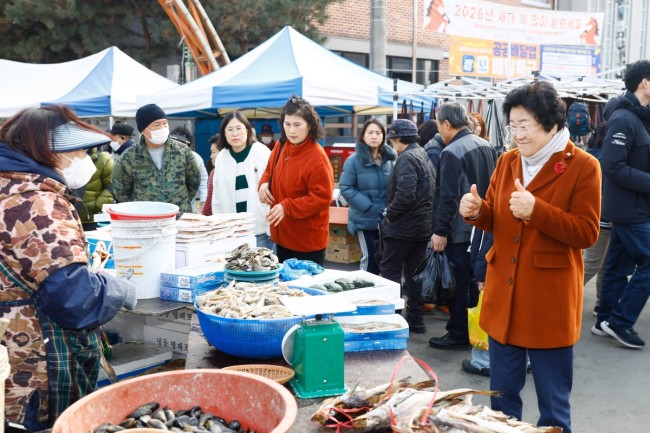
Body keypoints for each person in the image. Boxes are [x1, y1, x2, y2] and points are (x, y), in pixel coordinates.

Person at [459, 81, 600, 433]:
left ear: (551, 123)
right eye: (513, 125)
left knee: (553, 405)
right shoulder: (507, 161)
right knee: (501, 399)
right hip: (503, 299)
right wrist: (477, 211)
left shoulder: (583, 166)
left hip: (548, 302)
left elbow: (586, 232)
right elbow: (497, 217)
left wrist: (537, 210)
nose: (517, 134)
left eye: (525, 125)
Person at [0, 105, 138, 431]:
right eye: (80, 151)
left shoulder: (8, 189)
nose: (86, 159)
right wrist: (118, 289)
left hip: (11, 360)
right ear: (51, 152)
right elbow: (73, 298)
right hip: (38, 369)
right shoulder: (37, 204)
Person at [429, 101, 497, 350]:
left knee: (458, 282)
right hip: (483, 223)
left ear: (447, 124)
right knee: (473, 280)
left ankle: (458, 332)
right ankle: (474, 330)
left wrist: (439, 231)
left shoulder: (451, 151)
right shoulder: (486, 145)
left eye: (439, 125)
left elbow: (446, 196)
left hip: (460, 227)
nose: (439, 130)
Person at [595, 60, 650, 349]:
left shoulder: (639, 117)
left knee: (617, 265)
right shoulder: (624, 119)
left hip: (634, 206)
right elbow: (613, 166)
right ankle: (620, 321)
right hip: (630, 209)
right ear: (645, 82)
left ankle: (604, 320)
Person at [258, 96, 334, 265]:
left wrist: (287, 207)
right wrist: (263, 184)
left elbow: (321, 198)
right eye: (287, 124)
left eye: (297, 125)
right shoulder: (281, 145)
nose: (291, 131)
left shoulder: (317, 158)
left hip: (307, 242)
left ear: (309, 125)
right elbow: (269, 170)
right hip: (281, 236)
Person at [379, 119, 435, 334]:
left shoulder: (407, 158)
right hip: (421, 228)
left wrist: (389, 216)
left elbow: (404, 195)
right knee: (414, 274)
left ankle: (392, 318)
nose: (391, 143)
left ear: (398, 138)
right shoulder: (422, 154)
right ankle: (416, 320)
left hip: (403, 228)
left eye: (392, 139)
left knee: (390, 271)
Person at [112, 103, 201, 213]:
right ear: (143, 130)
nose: (162, 128)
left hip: (178, 216)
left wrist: (180, 201)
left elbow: (194, 181)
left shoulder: (182, 151)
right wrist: (136, 210)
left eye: (165, 123)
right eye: (157, 125)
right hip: (146, 218)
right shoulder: (129, 157)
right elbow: (120, 190)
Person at [339, 119, 397, 275]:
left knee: (384, 260)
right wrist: (368, 206)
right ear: (363, 136)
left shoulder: (390, 160)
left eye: (378, 133)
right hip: (363, 218)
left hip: (386, 219)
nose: (374, 136)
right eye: (370, 132)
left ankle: (380, 290)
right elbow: (345, 187)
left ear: (384, 136)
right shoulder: (353, 160)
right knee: (369, 259)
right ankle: (364, 288)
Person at [213, 111, 273, 250]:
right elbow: (217, 197)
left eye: (239, 128)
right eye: (230, 129)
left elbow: (274, 189)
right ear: (224, 133)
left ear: (247, 130)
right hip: (230, 232)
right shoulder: (222, 157)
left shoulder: (261, 152)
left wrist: (271, 228)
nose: (235, 134)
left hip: (260, 231)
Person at [582, 121, 611, 316]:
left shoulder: (591, 154)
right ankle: (562, 294)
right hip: (602, 217)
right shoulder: (603, 159)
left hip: (602, 216)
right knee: (593, 265)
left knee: (601, 264)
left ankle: (602, 304)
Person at [73, 147, 115, 230]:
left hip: (93, 218)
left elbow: (112, 185)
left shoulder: (103, 159)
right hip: (69, 216)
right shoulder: (64, 157)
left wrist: (98, 205)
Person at [170, 126, 209, 212]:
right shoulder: (163, 157)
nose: (178, 145)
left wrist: (203, 200)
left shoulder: (195, 158)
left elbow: (203, 180)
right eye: (174, 141)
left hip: (187, 207)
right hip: (166, 207)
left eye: (182, 142)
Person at [202, 134, 223, 216]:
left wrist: (204, 216)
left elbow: (209, 204)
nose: (211, 156)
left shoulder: (215, 173)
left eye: (213, 152)